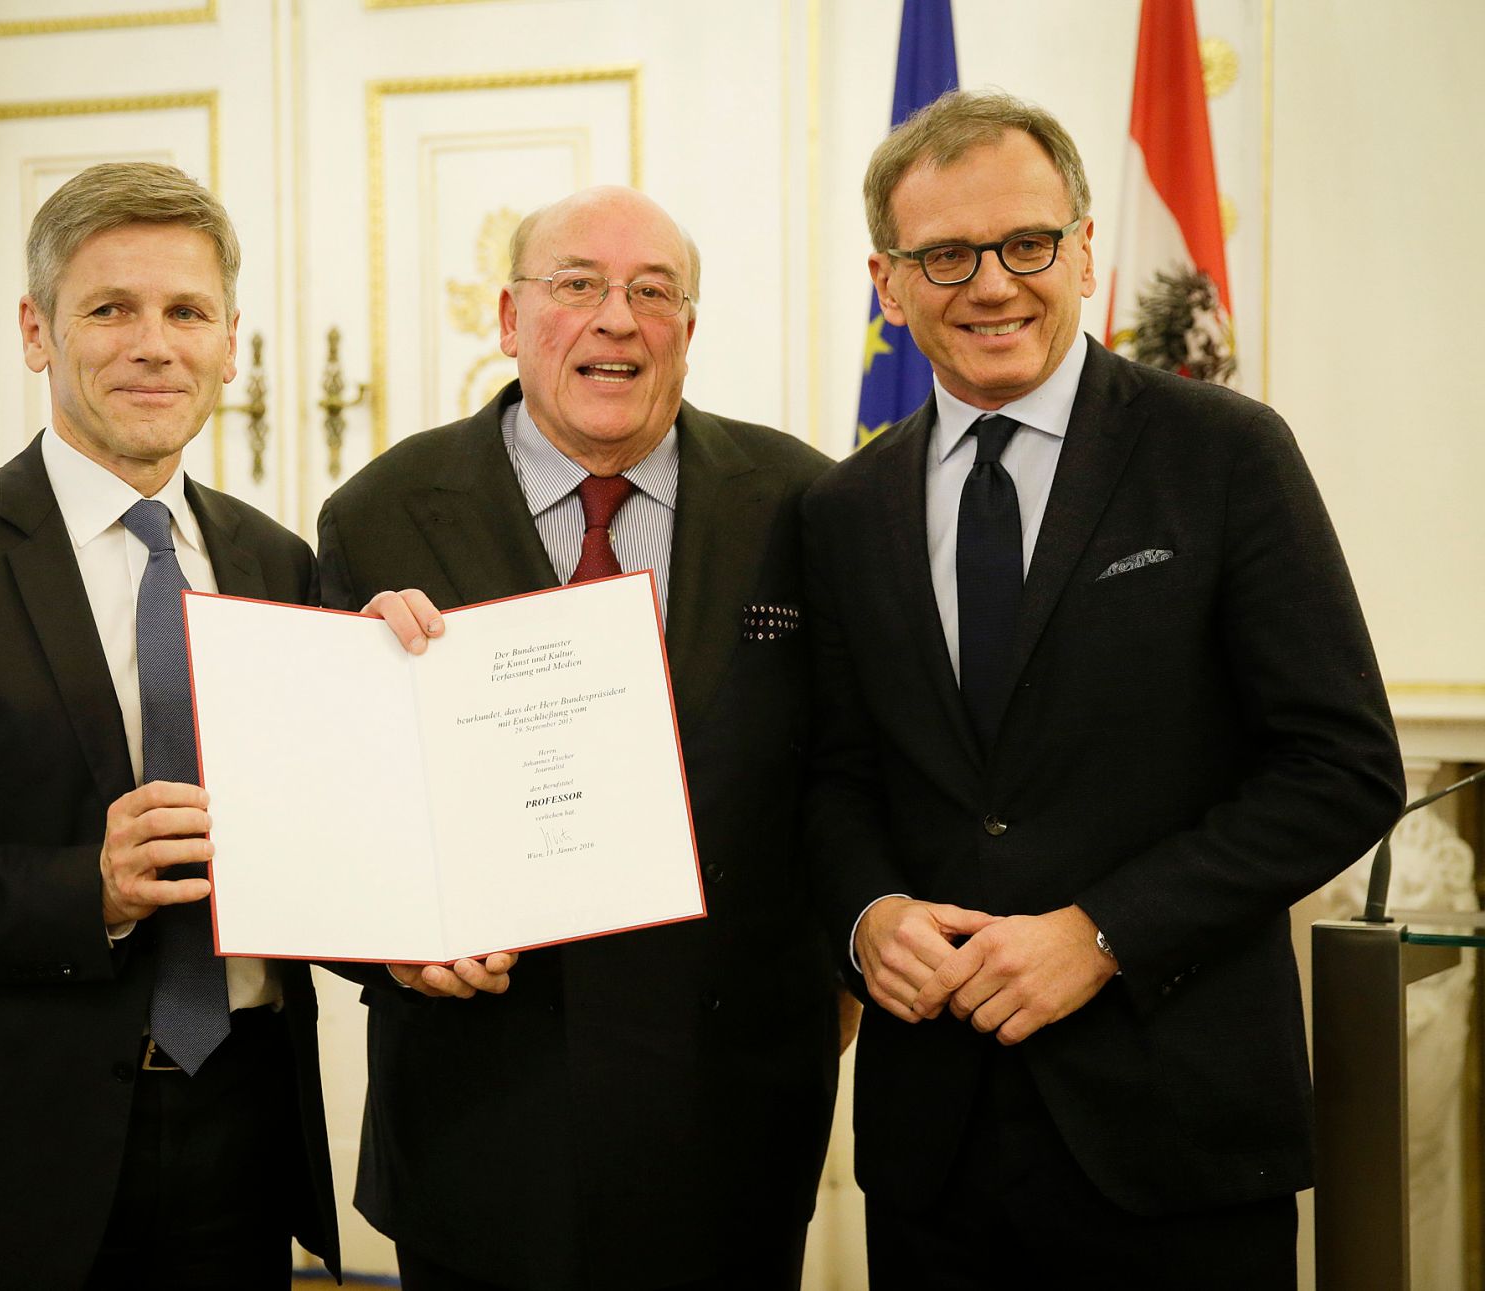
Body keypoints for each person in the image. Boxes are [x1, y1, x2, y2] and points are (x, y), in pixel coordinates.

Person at [0, 161, 452, 1291]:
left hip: (239, 1140)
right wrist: (82, 890)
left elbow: (306, 851)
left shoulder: (274, 562)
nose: (154, 344)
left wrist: (397, 704)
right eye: (111, 309)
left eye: (186, 311)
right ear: (37, 330)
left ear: (230, 343)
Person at [804, 90, 1404, 1288]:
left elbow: (1339, 768)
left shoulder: (1223, 454)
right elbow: (830, 777)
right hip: (937, 1148)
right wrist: (868, 917)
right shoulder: (839, 509)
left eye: (1027, 243)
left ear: (1086, 248)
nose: (992, 284)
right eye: (946, 255)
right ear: (887, 282)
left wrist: (1102, 934)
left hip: (1174, 1136)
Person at [316, 186, 841, 1291]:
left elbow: (851, 764)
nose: (616, 319)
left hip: (731, 1113)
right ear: (508, 321)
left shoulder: (800, 502)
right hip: (479, 1116)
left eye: (652, 292)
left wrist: (847, 957)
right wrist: (394, 947)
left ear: (686, 333)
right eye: (575, 286)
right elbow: (332, 817)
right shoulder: (379, 512)